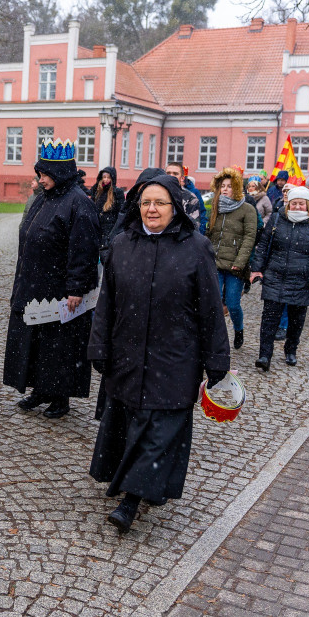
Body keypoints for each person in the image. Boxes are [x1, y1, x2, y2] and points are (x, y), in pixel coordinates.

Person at [89, 174, 230, 532]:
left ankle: (132, 500)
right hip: (128, 353)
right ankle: (138, 482)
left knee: (159, 428)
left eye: (160, 203)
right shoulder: (122, 244)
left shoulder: (195, 247)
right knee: (128, 420)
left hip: (176, 357)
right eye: (146, 202)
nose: (152, 209)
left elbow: (211, 309)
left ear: (175, 208)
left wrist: (217, 362)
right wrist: (99, 345)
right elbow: (106, 303)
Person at [4, 139, 100, 419]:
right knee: (35, 342)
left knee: (59, 347)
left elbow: (84, 249)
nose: (40, 179)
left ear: (58, 174)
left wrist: (77, 288)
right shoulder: (45, 198)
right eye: (39, 174)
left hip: (60, 289)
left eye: (44, 175)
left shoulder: (79, 203)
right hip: (34, 285)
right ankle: (41, 389)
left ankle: (60, 396)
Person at [250, 186, 309, 371]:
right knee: (269, 319)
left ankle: (291, 349)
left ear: (308, 205)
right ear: (288, 204)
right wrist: (257, 269)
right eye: (294, 203)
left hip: (302, 279)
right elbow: (263, 244)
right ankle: (264, 355)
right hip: (275, 275)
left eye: (301, 203)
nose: (298, 207)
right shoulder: (278, 218)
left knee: (296, 320)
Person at [206, 167, 257, 349]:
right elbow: (208, 234)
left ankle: (239, 329)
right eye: (222, 186)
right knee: (214, 302)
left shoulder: (247, 209)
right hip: (215, 263)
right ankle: (215, 336)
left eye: (229, 186)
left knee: (233, 303)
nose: (225, 189)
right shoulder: (214, 208)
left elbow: (250, 237)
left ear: (236, 187)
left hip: (236, 266)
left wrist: (240, 262)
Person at [90, 167, 125, 263]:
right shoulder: (96, 190)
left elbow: (121, 211)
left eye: (108, 177)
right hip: (97, 228)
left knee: (107, 257)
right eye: (104, 177)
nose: (106, 180)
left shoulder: (117, 192)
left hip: (110, 229)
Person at [162, 162, 202, 229]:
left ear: (182, 178)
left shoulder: (190, 198)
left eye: (175, 174)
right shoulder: (156, 194)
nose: (171, 176)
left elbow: (194, 225)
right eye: (168, 173)